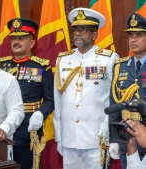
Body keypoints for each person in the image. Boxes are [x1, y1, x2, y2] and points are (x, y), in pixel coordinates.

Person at [53, 7, 120, 169]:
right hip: (69, 137)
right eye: (75, 29)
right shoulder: (63, 59)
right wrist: (59, 137)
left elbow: (115, 98)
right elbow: (58, 99)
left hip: (96, 136)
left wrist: (109, 131)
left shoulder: (109, 59)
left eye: (83, 30)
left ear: (95, 34)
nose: (77, 33)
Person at [0, 18, 55, 169]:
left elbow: (50, 100)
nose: (16, 41)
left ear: (32, 43)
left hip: (28, 129)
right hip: (1, 127)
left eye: (21, 38)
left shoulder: (42, 67)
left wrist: (40, 114)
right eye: (14, 38)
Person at [109, 13, 146, 169]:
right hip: (126, 137)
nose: (133, 40)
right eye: (131, 35)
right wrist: (113, 139)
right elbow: (114, 103)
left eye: (139, 35)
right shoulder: (120, 66)